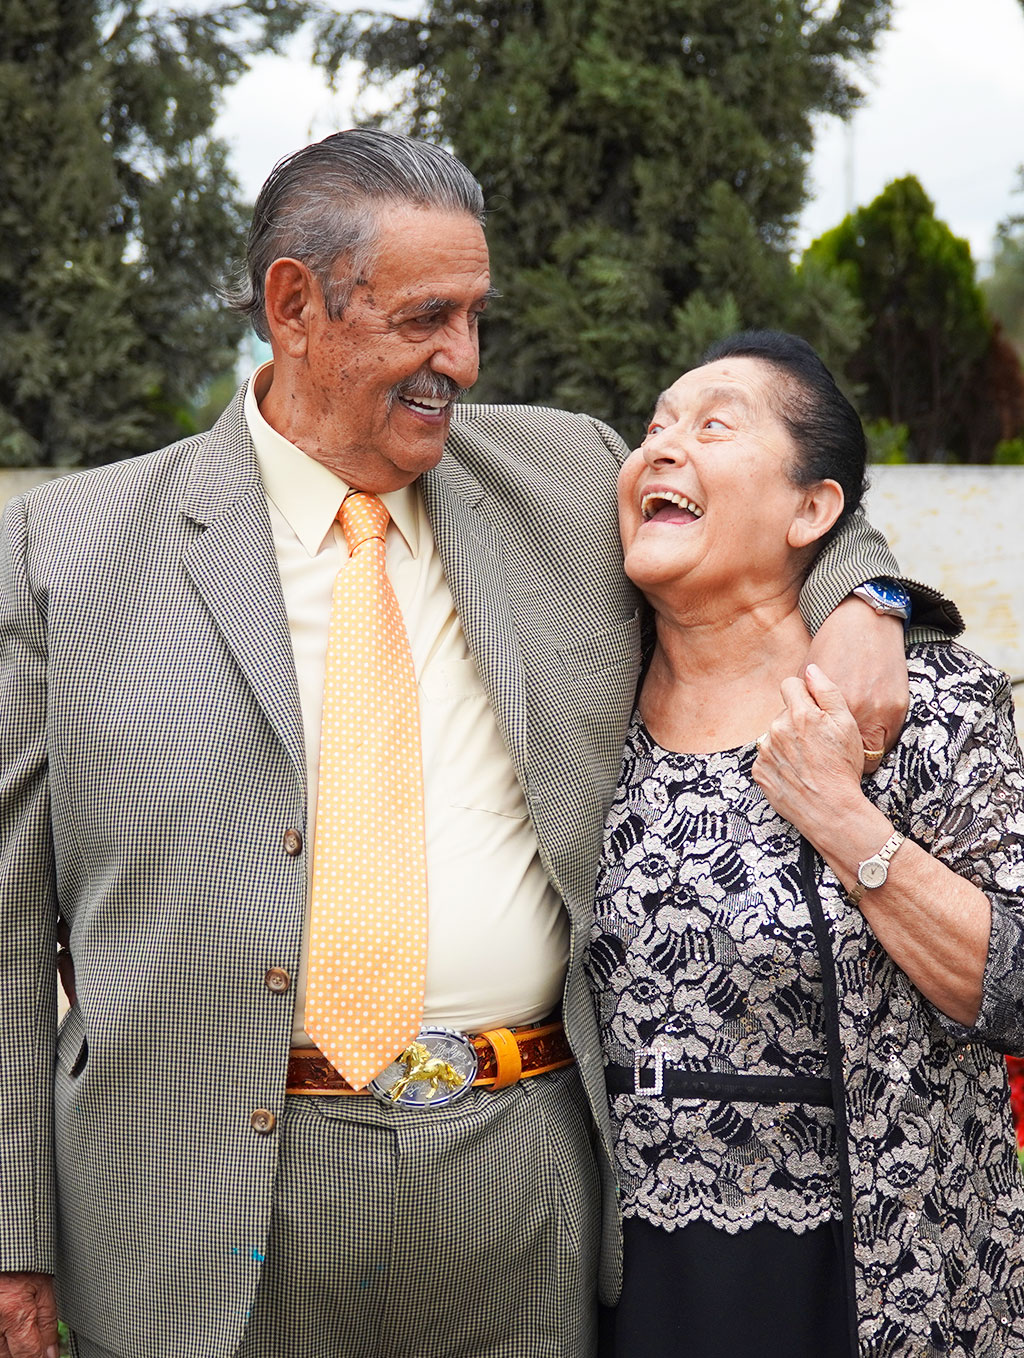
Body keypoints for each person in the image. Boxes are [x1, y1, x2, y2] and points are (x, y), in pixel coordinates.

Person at [0, 133, 954, 1358]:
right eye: (425, 318)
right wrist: (14, 1238)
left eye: (474, 316)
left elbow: (791, 509)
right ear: (294, 306)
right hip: (205, 1201)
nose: (461, 358)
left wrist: (869, 606)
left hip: (520, 1186)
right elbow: (12, 925)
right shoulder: (68, 551)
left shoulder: (566, 472)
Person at [588, 330, 1024, 1357]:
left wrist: (841, 814)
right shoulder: (575, 709)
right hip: (616, 1278)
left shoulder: (928, 701)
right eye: (653, 425)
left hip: (866, 1279)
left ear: (813, 509)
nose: (662, 445)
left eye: (712, 423)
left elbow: (1016, 980)